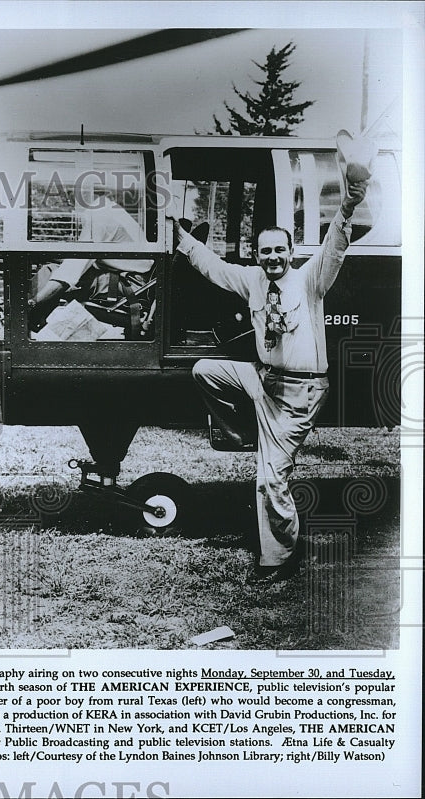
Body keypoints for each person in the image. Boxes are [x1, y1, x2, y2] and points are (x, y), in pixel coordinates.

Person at [172, 170, 368, 584]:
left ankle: (279, 557)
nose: (273, 257)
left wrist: (349, 202)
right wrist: (180, 236)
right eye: (265, 252)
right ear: (256, 253)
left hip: (301, 392)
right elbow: (212, 266)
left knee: (270, 480)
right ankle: (246, 434)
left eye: (280, 250)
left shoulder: (310, 280)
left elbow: (335, 241)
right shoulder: (253, 280)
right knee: (205, 370)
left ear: (292, 250)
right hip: (264, 382)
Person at [29, 186, 154, 333]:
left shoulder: (100, 215)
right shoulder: (107, 209)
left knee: (51, 271)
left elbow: (72, 270)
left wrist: (34, 302)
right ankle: (33, 319)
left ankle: (26, 316)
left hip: (133, 285)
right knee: (54, 271)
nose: (70, 200)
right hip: (128, 278)